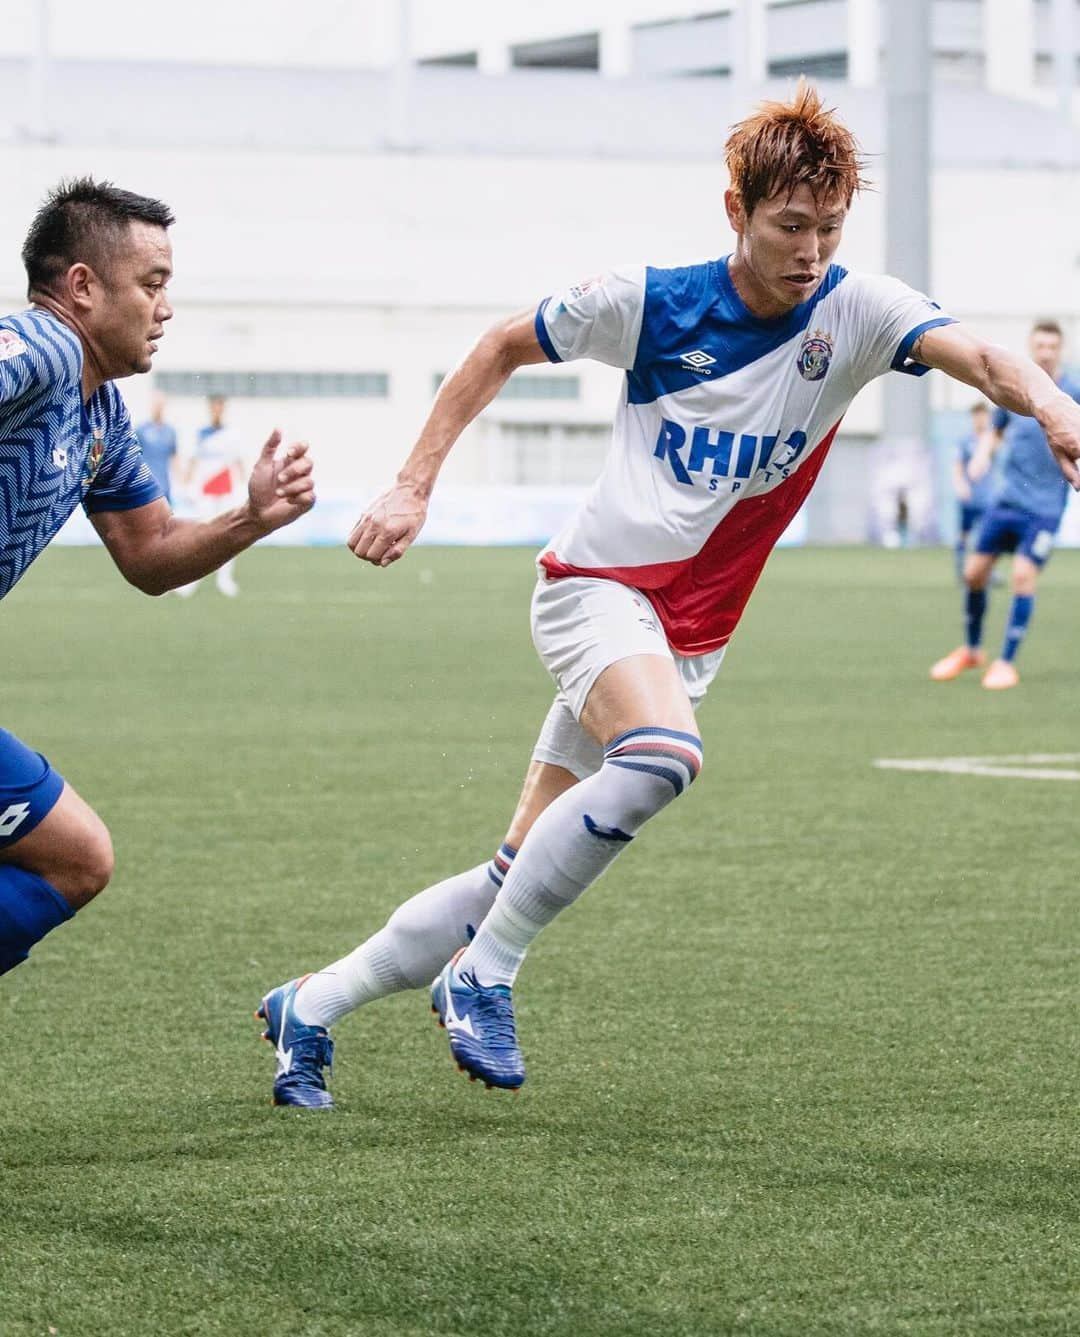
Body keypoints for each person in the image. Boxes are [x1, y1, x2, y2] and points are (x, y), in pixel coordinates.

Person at [257, 84, 1080, 1108]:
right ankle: (486, 973)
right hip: (595, 589)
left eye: (829, 227)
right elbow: (501, 344)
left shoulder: (858, 310)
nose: (812, 249)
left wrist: (1049, 402)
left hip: (686, 631)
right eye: (790, 226)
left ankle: (310, 1004)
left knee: (511, 867)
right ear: (734, 211)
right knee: (666, 755)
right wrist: (413, 481)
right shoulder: (650, 302)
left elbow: (986, 359)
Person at [0, 177, 315, 980]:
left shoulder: (100, 410)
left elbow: (151, 550)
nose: (166, 307)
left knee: (75, 857)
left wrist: (250, 518)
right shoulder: (44, 346)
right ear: (81, 286)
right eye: (153, 283)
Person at [930, 320, 1080, 690]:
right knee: (974, 574)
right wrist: (981, 457)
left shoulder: (1072, 391)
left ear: (1059, 349)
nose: (1045, 352)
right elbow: (994, 432)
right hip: (1007, 501)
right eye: (1040, 345)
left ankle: (1005, 662)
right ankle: (972, 649)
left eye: (1051, 346)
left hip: (1044, 508)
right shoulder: (1016, 387)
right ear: (1031, 346)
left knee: (1022, 577)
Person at [174, 395, 247, 597]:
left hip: (226, 492)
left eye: (220, 407)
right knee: (201, 535)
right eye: (213, 407)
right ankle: (190, 581)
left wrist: (242, 488)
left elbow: (239, 463)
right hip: (205, 492)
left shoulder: (231, 435)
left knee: (228, 535)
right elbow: (193, 461)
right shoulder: (201, 434)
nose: (216, 410)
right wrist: (187, 485)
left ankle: (225, 579)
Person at [950, 401, 995, 580]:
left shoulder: (992, 440)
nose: (980, 419)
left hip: (988, 496)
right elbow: (958, 466)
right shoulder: (965, 441)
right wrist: (961, 485)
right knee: (964, 534)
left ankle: (987, 572)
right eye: (977, 416)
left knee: (988, 536)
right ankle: (961, 570)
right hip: (969, 497)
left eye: (983, 415)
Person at [134, 390, 179, 503]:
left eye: (160, 405)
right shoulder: (141, 430)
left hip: (165, 487)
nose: (158, 408)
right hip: (146, 486)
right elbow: (134, 458)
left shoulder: (170, 431)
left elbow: (175, 459)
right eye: (155, 404)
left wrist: (183, 483)